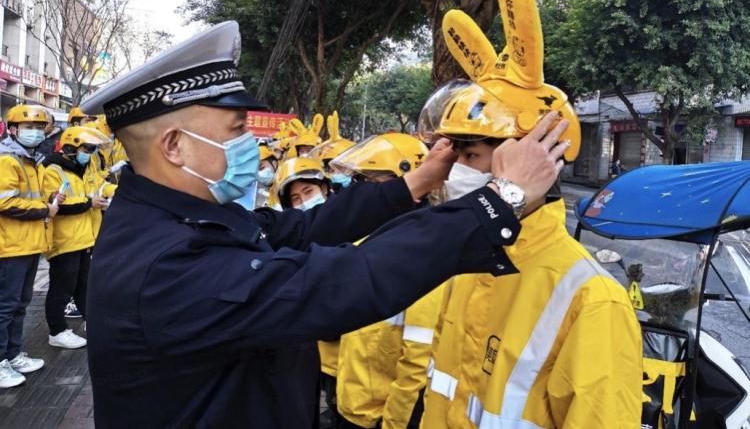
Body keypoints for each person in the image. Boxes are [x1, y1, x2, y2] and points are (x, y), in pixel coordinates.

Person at [80, 21, 570, 428]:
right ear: (174, 146)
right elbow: (343, 280)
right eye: (235, 131)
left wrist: (411, 185)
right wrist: (500, 198)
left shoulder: (179, 215)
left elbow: (298, 229)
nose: (250, 143)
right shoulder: (164, 266)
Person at [418, 0, 642, 428]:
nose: (455, 172)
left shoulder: (592, 302)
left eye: (471, 156)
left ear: (538, 158)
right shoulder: (466, 261)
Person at [330, 133, 442, 429]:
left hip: (380, 419)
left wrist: (394, 423)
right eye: (359, 182)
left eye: (372, 183)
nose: (363, 194)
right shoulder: (370, 240)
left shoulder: (421, 253)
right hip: (351, 405)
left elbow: (416, 363)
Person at [0, 104, 62, 388]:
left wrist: (48, 200)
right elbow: (5, 201)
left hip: (26, 244)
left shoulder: (29, 159)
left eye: (39, 128)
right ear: (12, 130)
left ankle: (12, 355)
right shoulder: (7, 159)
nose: (35, 133)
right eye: (29, 128)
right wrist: (43, 209)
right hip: (9, 246)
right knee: (5, 306)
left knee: (19, 305)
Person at [42, 126, 111, 349]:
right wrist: (89, 203)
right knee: (62, 288)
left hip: (84, 238)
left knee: (84, 285)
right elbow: (58, 207)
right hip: (64, 240)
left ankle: (93, 321)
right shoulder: (52, 169)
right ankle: (58, 331)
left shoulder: (86, 166)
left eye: (92, 149)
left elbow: (100, 186)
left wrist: (117, 191)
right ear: (71, 147)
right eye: (87, 148)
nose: (89, 153)